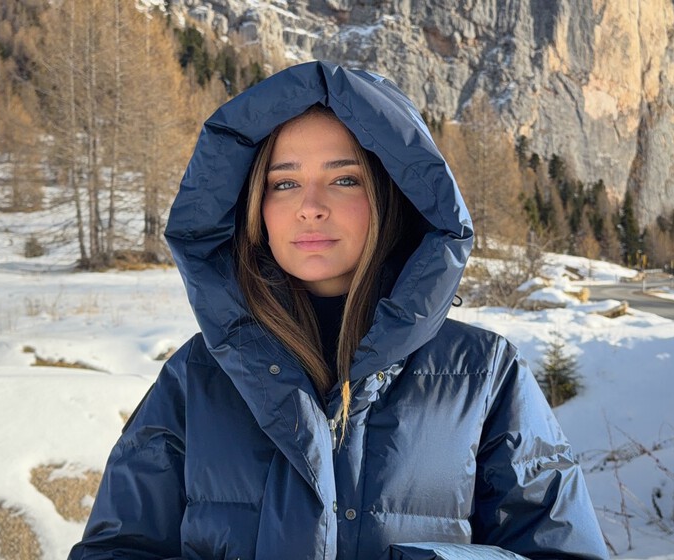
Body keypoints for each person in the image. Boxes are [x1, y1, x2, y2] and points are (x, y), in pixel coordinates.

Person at [69, 61, 609, 560]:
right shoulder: (197, 376)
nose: (310, 206)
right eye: (284, 182)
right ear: (254, 207)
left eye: (344, 179)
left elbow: (560, 550)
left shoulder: (482, 375)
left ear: (392, 195)